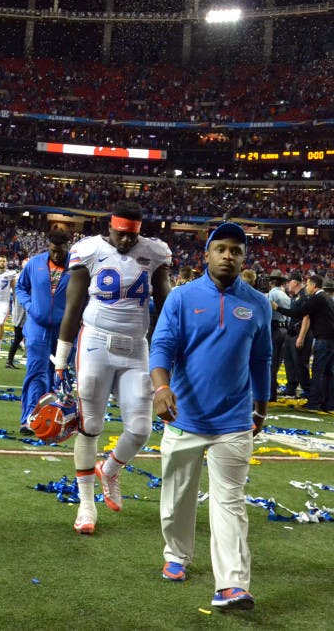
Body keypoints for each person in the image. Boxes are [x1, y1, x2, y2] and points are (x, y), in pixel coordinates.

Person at [150, 222, 270, 611]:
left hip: (234, 422)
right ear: (207, 254)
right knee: (176, 499)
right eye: (221, 249)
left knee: (230, 501)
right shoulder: (182, 298)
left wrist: (262, 405)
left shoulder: (258, 303)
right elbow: (163, 345)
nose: (228, 256)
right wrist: (161, 387)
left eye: (236, 250)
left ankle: (232, 585)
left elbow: (262, 358)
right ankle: (177, 553)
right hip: (183, 416)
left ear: (244, 257)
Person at [52, 202, 172, 535]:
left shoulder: (154, 252)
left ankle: (111, 468)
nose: (126, 242)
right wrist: (61, 356)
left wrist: (167, 352)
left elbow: (166, 305)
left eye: (132, 235)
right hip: (95, 343)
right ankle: (86, 504)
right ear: (111, 227)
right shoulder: (88, 249)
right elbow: (74, 305)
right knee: (90, 424)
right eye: (121, 234)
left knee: (140, 428)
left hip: (135, 348)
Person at [15, 228, 71, 434]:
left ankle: (50, 419)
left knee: (57, 374)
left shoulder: (77, 267)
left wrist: (76, 316)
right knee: (36, 371)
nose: (56, 255)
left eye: (60, 251)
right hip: (37, 327)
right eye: (53, 250)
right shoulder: (35, 263)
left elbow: (85, 296)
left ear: (68, 247)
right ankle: (30, 418)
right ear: (48, 246)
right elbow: (20, 287)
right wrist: (31, 307)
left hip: (63, 330)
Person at [272, 274, 334, 412]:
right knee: (328, 372)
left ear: (314, 285)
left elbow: (298, 312)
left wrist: (277, 308)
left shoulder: (317, 298)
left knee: (318, 371)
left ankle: (313, 403)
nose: (307, 287)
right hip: (330, 340)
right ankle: (329, 403)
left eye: (308, 285)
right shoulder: (327, 298)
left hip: (323, 340)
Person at [281, 271, 311, 398]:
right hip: (291, 332)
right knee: (289, 362)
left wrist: (301, 336)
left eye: (289, 281)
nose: (287, 284)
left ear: (296, 282)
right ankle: (291, 388)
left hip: (300, 333)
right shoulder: (295, 296)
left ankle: (307, 390)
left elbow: (306, 317)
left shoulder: (305, 296)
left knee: (300, 363)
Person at [266, 270, 289, 403]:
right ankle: (272, 392)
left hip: (273, 330)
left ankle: (270, 393)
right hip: (284, 329)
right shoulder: (285, 296)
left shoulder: (271, 295)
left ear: (271, 282)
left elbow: (266, 313)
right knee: (276, 363)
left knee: (270, 363)